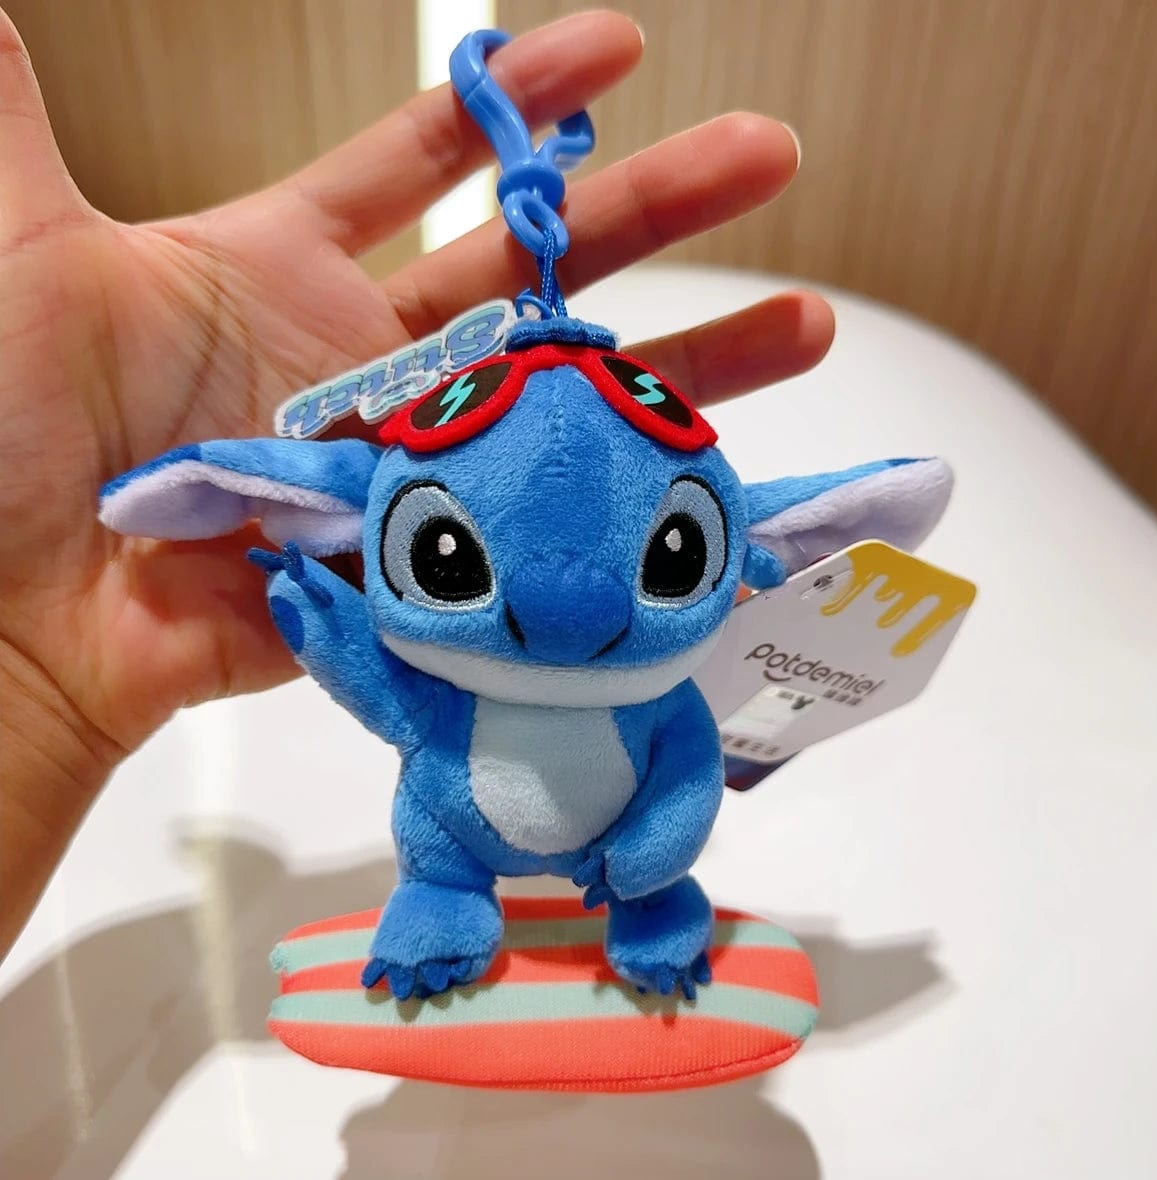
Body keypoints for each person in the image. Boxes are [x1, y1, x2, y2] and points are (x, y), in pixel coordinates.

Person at [0, 8, 834, 958]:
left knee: (650, 875)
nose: (566, 617)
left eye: (680, 554)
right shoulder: (463, 678)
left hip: (621, 862)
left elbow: (686, 775)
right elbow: (386, 693)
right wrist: (322, 615)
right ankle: (446, 895)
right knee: (437, 846)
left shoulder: (665, 704)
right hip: (454, 842)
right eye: (440, 555)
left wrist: (651, 856)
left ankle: (650, 909)